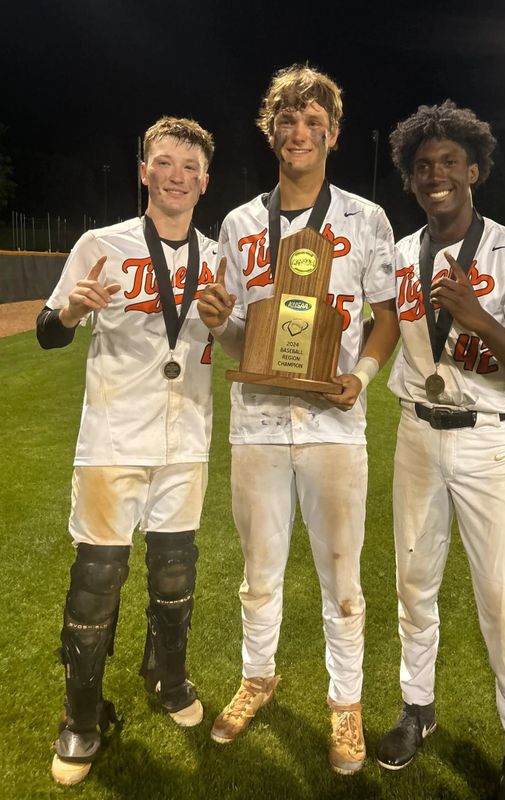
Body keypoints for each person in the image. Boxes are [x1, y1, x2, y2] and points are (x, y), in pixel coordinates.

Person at [198, 64, 398, 775]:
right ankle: (259, 674)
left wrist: (363, 376)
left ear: (333, 135)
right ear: (271, 131)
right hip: (255, 422)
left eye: (314, 122)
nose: (300, 132)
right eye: (288, 120)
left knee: (342, 577)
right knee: (259, 573)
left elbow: (387, 318)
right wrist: (219, 323)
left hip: (334, 426)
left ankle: (346, 704)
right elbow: (232, 338)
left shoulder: (366, 219)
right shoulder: (239, 223)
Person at [376, 100, 505, 799]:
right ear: (411, 180)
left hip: (487, 446)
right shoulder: (399, 256)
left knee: (503, 606)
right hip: (417, 435)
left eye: (449, 162)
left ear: (474, 169)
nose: (436, 175)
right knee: (413, 588)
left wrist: (479, 319)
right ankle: (417, 711)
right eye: (423, 167)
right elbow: (380, 330)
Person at [37, 116, 218, 785]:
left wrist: (229, 326)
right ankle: (80, 716)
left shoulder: (219, 254)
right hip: (113, 439)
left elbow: (231, 342)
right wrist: (69, 313)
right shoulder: (100, 244)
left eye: (189, 167)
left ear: (205, 180)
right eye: (164, 163)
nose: (177, 176)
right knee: (98, 578)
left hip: (186, 439)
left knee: (176, 572)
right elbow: (47, 333)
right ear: (144, 171)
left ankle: (167, 677)